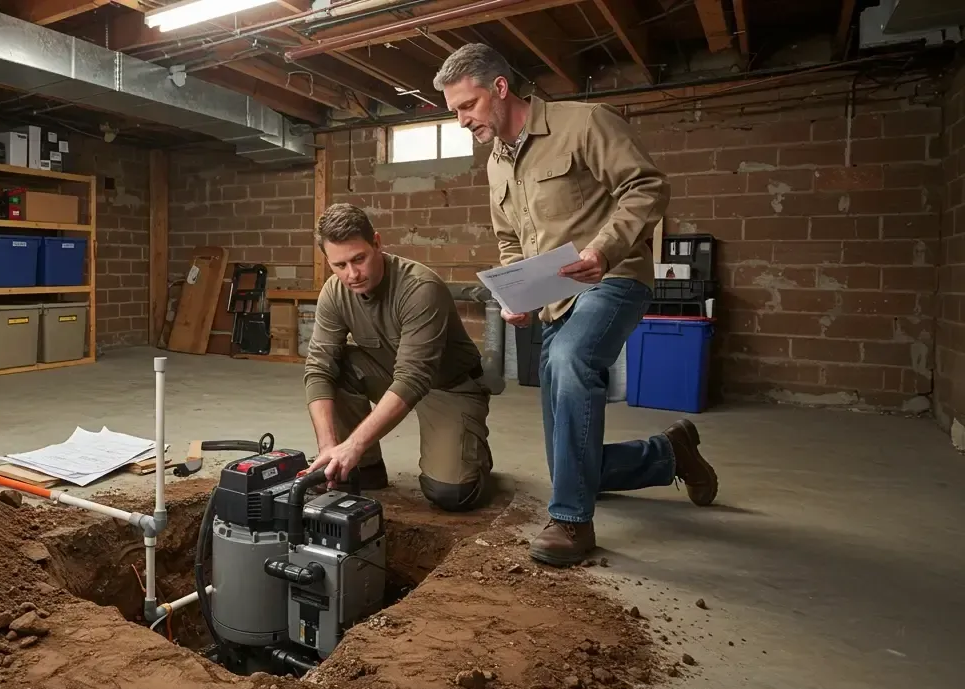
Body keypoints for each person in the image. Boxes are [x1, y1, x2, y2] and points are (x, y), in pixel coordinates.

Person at [433, 43, 720, 566]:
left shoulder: (584, 124)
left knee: (570, 362)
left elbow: (646, 186)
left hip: (613, 280)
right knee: (568, 455)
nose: (461, 120)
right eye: (454, 111)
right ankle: (668, 453)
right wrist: (513, 292)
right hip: (551, 302)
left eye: (467, 106)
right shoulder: (497, 163)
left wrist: (603, 249)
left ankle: (571, 521)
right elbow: (509, 241)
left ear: (499, 88)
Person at [303, 203, 494, 513]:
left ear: (377, 243)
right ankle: (365, 467)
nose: (352, 275)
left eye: (359, 259)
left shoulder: (420, 288)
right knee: (336, 368)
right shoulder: (334, 293)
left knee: (452, 493)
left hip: (449, 385)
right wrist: (329, 446)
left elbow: (413, 378)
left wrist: (353, 443)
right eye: (339, 265)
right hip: (390, 373)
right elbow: (318, 369)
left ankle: (475, 460)